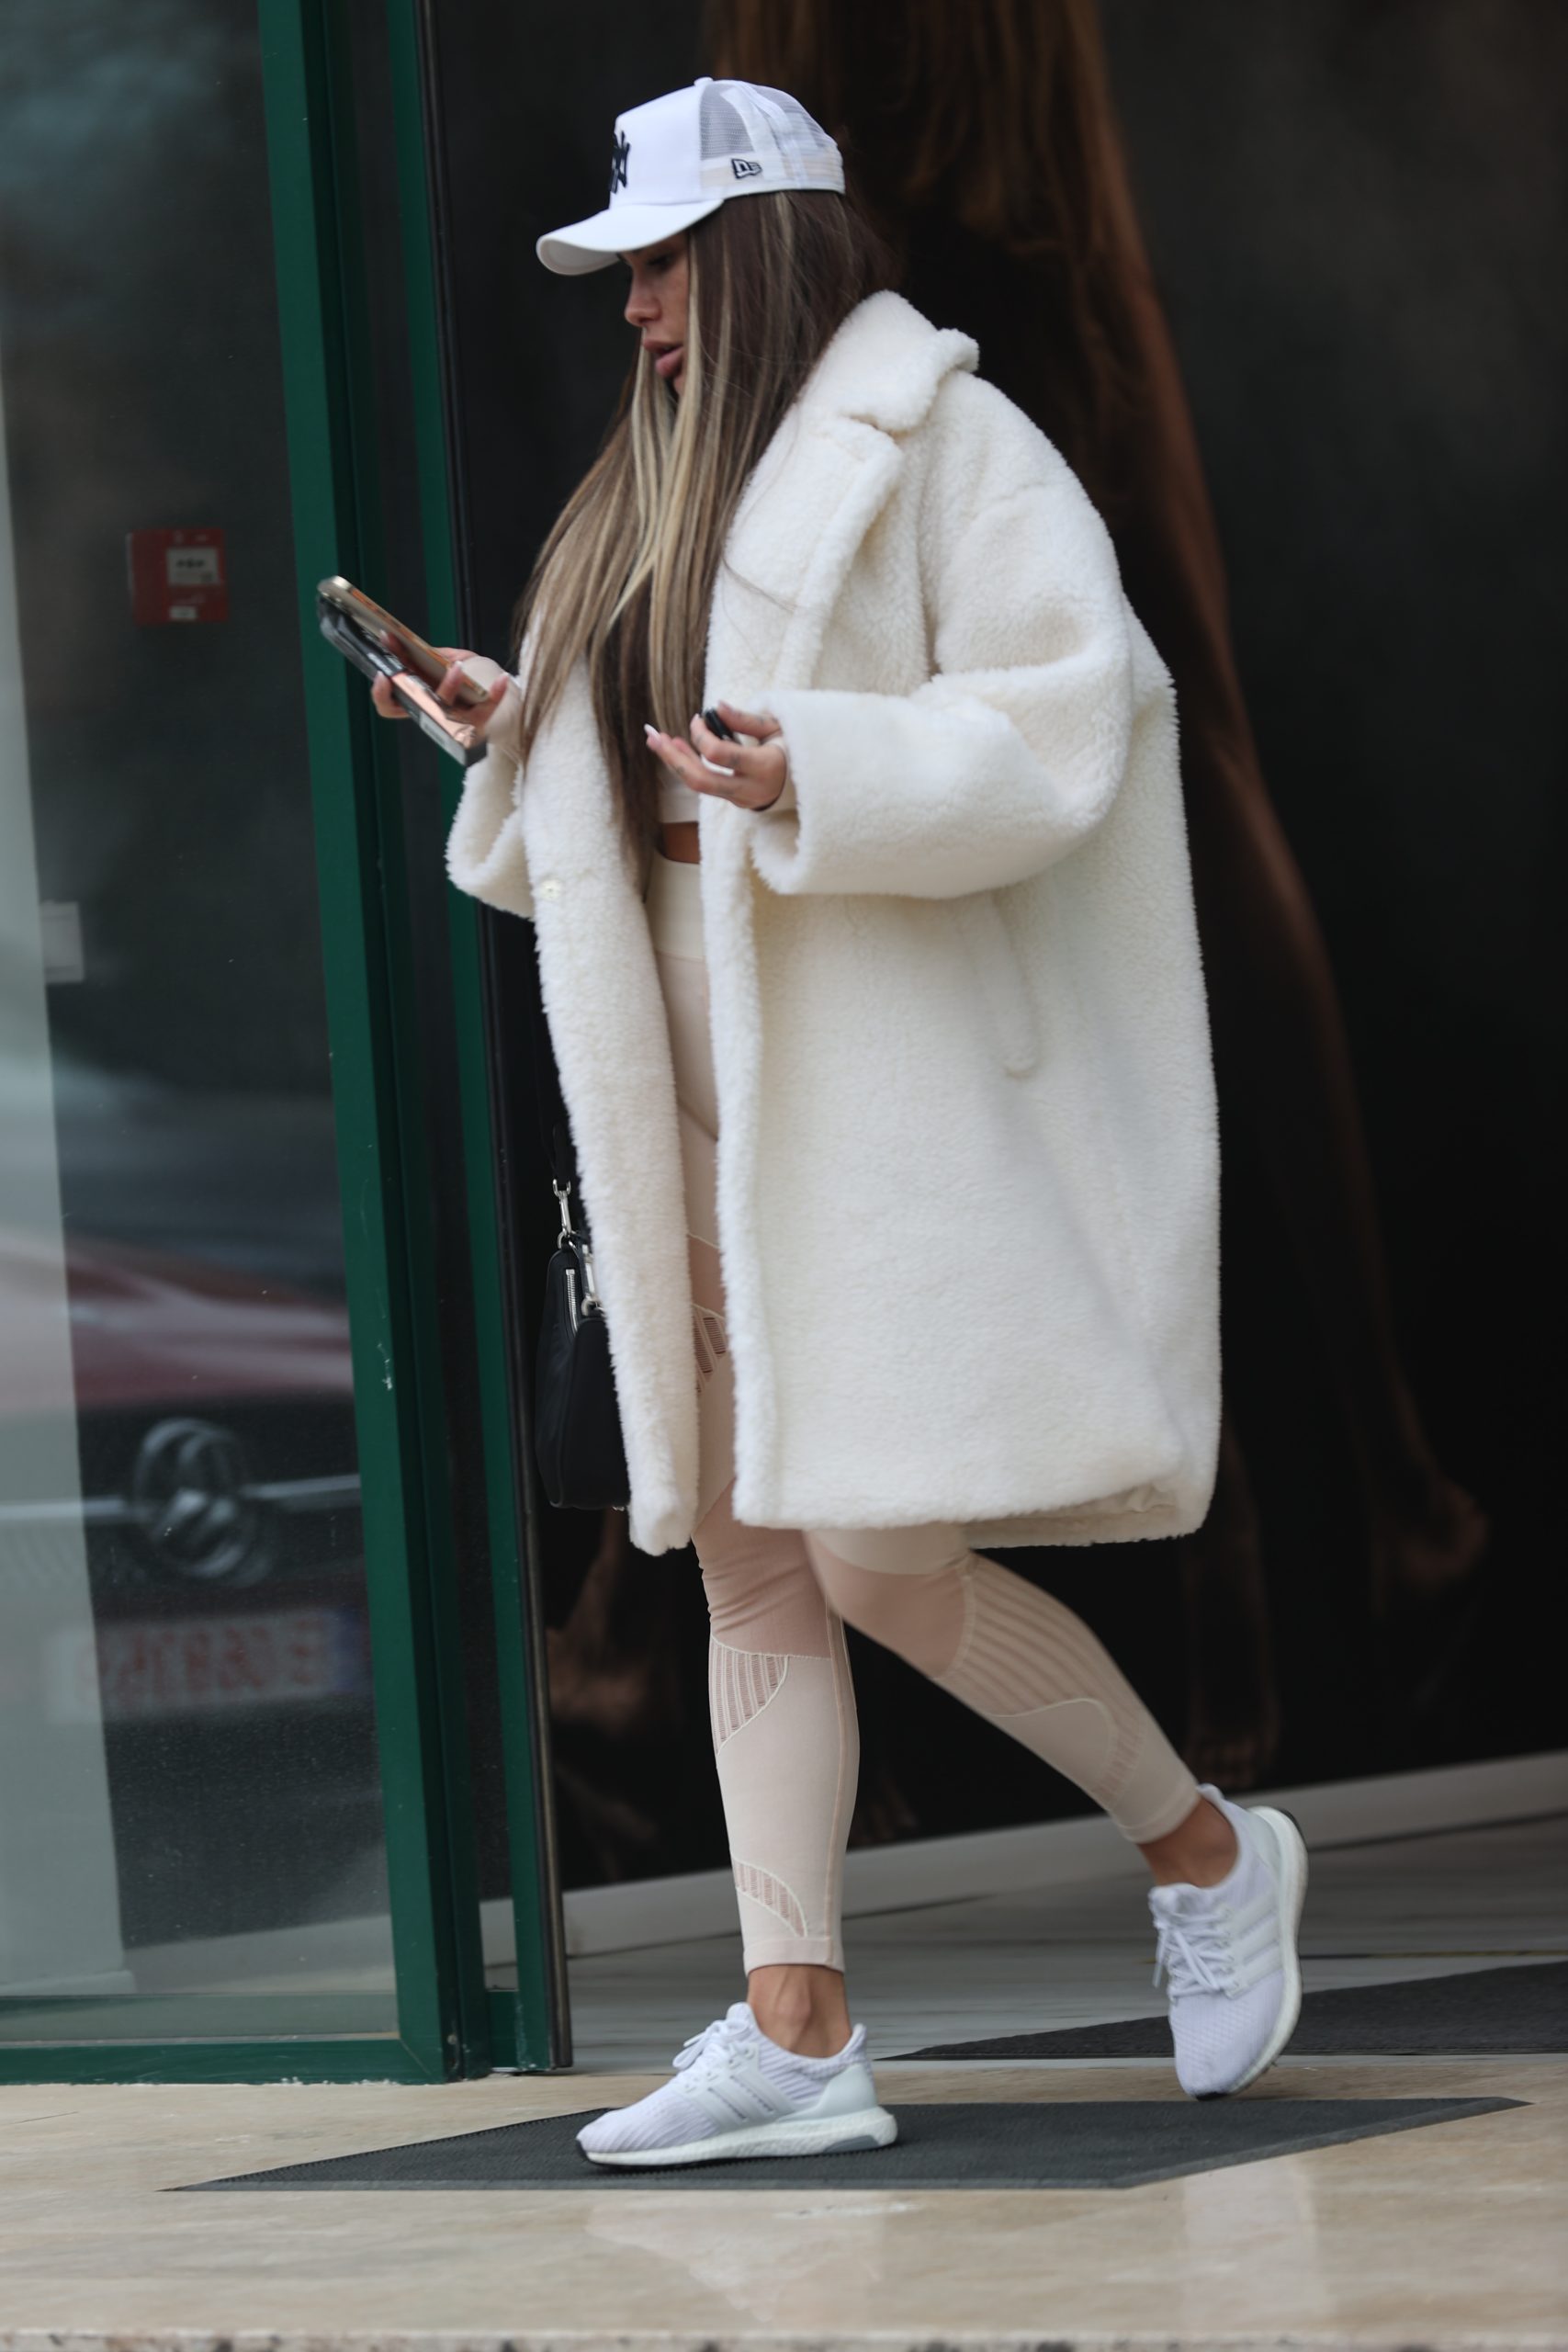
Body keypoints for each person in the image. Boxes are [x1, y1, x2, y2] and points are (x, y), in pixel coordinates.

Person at [373, 77, 1307, 2168]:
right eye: (623, 273)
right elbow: (614, 808)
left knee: (880, 1557)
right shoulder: (637, 493)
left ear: (762, 251)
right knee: (743, 1562)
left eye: (662, 264)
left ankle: (1201, 1849)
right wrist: (505, 726)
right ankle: (797, 2029)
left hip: (864, 1098)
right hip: (676, 1090)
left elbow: (1071, 719)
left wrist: (820, 769)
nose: (634, 308)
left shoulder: (947, 443)